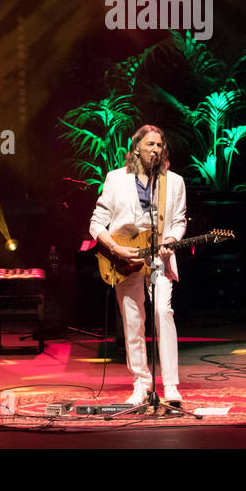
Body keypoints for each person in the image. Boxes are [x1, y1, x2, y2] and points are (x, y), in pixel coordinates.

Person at [89, 125, 187, 406]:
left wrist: (170, 237)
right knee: (133, 320)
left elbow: (179, 220)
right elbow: (96, 222)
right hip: (125, 257)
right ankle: (141, 383)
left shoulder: (174, 182)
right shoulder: (116, 179)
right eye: (150, 144)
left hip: (159, 256)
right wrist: (116, 248)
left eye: (159, 144)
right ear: (136, 148)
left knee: (162, 312)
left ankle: (170, 385)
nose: (155, 149)